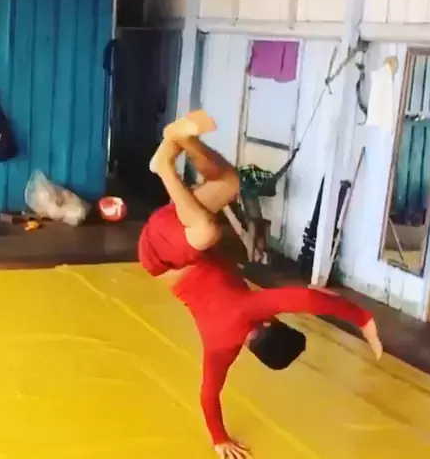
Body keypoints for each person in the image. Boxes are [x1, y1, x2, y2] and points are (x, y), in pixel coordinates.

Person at [138, 110, 383, 459]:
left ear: (270, 324)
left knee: (209, 231)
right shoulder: (223, 350)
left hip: (166, 250)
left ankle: (165, 165)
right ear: (254, 350)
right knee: (230, 183)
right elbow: (208, 395)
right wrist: (219, 439)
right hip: (175, 242)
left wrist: (363, 319)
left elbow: (305, 300)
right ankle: (182, 141)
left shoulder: (249, 311)